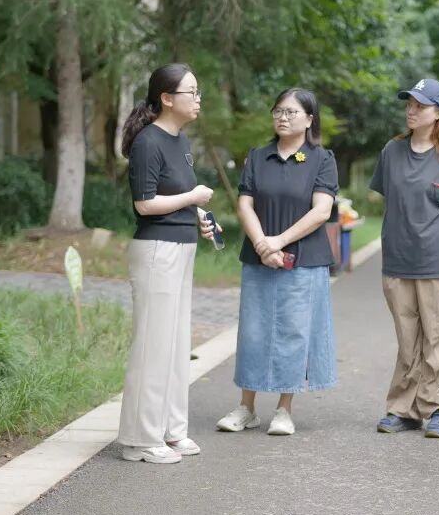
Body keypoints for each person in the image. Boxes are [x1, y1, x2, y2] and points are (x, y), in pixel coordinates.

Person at [216, 88, 338, 436]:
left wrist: (278, 242)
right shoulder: (258, 157)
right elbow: (245, 205)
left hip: (304, 259)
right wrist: (262, 245)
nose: (283, 117)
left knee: (293, 332)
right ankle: (247, 407)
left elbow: (322, 211)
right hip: (259, 258)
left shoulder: (321, 159)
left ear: (309, 120)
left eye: (291, 112)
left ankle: (284, 409)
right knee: (253, 331)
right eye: (278, 111)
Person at [116, 63, 219, 464]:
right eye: (191, 91)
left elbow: (175, 196)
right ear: (166, 98)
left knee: (176, 345)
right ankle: (140, 439)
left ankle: (171, 429)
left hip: (182, 246)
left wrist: (201, 216)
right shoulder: (149, 142)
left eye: (198, 91)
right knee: (153, 346)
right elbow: (145, 204)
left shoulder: (181, 140)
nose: (198, 98)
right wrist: (192, 198)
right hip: (156, 251)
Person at [369, 78, 439, 439]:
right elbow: (392, 200)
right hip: (398, 259)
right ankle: (404, 409)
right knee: (407, 338)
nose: (411, 110)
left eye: (420, 105)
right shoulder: (392, 152)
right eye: (409, 104)